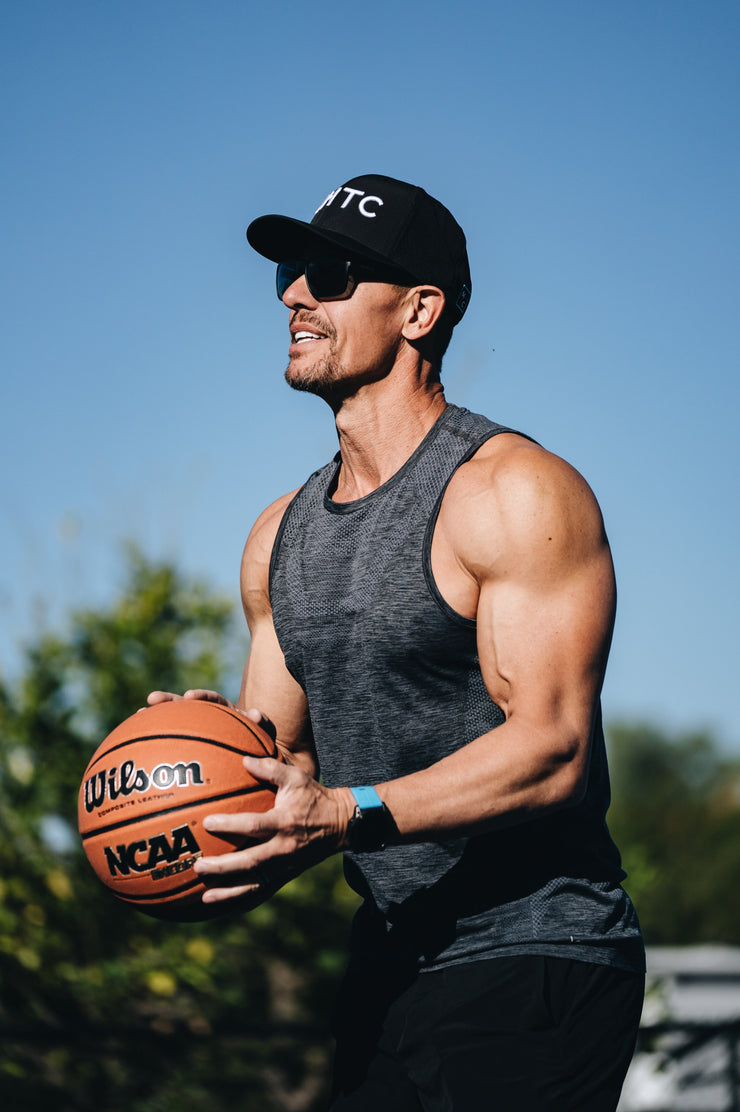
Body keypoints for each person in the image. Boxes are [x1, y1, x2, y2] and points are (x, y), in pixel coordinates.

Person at [150, 174, 644, 1110]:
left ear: (419, 310)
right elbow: (284, 770)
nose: (296, 293)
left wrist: (345, 812)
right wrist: (196, 763)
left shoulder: (511, 493)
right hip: (388, 955)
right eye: (293, 272)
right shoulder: (277, 535)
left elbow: (554, 750)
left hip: (535, 952)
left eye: (331, 273)